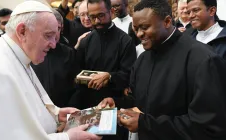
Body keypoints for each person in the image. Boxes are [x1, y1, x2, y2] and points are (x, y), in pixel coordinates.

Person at [99, 0, 226, 139]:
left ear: (166, 22)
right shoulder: (142, 59)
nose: (139, 34)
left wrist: (145, 124)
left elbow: (208, 126)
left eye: (145, 27)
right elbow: (139, 99)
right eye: (136, 29)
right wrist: (117, 103)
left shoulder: (204, 60)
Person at [0, 1, 102, 140]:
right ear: (22, 31)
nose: (54, 45)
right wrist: (67, 137)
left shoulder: (16, 55)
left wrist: (55, 113)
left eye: (56, 36)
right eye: (48, 36)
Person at [71, 0, 136, 139]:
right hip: (88, 108)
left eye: (101, 16)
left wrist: (110, 76)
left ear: (111, 12)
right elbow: (76, 72)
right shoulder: (86, 41)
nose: (96, 21)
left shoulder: (125, 41)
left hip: (114, 107)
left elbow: (129, 75)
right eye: (92, 17)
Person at [32, 9, 86, 107]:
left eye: (58, 28)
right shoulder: (30, 53)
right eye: (50, 30)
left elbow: (78, 86)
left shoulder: (69, 53)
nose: (55, 33)